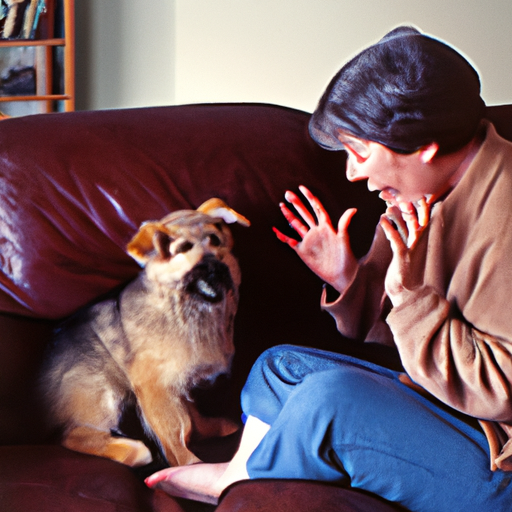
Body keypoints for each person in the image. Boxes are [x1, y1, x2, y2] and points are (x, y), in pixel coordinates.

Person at [145, 26, 512, 511]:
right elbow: (407, 343)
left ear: (423, 145)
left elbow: (500, 392)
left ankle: (238, 482)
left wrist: (410, 295)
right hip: (447, 408)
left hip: (497, 464)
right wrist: (347, 278)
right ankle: (241, 474)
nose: (352, 173)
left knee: (329, 400)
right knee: (280, 367)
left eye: (360, 153)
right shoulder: (418, 193)